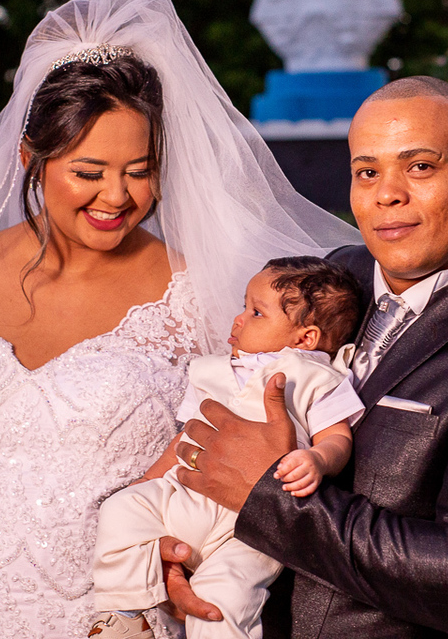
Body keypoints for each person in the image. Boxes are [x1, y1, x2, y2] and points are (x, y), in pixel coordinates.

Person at [0, 0, 361, 639]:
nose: (117, 197)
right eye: (89, 171)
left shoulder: (201, 298)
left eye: (140, 169)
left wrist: (195, 560)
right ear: (30, 158)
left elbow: (240, 456)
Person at [168, 77, 448, 639]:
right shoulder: (331, 279)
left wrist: (271, 499)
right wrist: (181, 546)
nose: (387, 194)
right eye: (367, 171)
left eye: (420, 166)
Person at [89, 256, 364, 639]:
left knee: (224, 596)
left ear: (305, 338)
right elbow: (188, 436)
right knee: (120, 508)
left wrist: (317, 459)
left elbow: (337, 437)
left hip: (252, 524)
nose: (238, 319)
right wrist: (148, 482)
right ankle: (124, 615)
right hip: (186, 498)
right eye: (244, 306)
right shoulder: (211, 371)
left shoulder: (316, 377)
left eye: (256, 312)